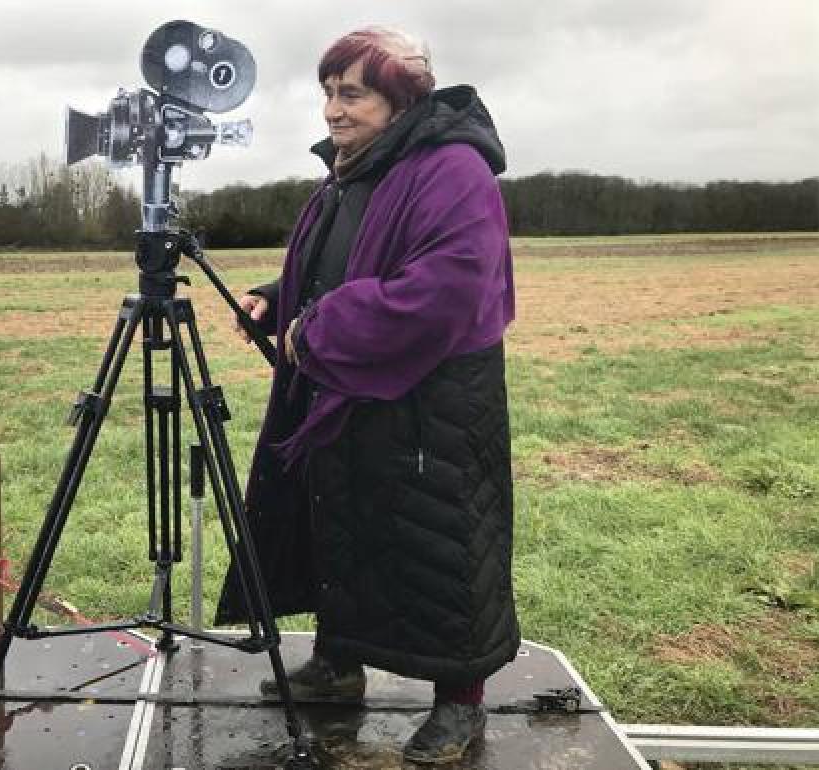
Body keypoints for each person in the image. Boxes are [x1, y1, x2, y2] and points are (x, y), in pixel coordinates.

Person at [214, 26, 520, 764]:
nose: (332, 109)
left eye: (351, 94)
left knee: (442, 544)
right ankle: (338, 664)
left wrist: (321, 329)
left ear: (401, 98)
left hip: (434, 403)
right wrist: (278, 297)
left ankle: (460, 702)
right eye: (327, 92)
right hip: (349, 389)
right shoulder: (354, 169)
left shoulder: (453, 168)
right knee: (341, 526)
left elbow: (445, 288)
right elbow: (341, 263)